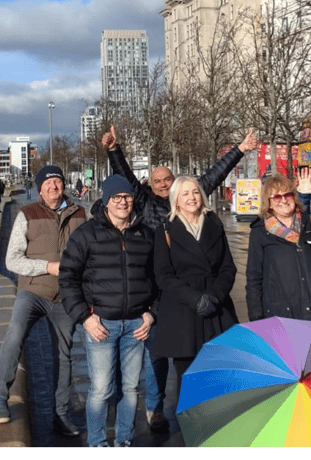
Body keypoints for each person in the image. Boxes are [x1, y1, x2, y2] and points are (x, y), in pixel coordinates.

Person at [100, 125, 257, 431]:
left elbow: (214, 174)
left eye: (166, 180)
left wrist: (239, 149)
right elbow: (128, 177)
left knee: (205, 359)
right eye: (157, 180)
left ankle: (212, 418)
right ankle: (156, 408)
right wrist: (113, 151)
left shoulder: (198, 208)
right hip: (156, 289)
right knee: (158, 353)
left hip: (192, 294)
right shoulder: (145, 203)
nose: (161, 184)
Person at [59, 175, 157, 447]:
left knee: (130, 389)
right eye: (117, 198)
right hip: (101, 324)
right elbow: (67, 279)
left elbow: (159, 278)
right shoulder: (86, 235)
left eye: (127, 197)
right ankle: (98, 443)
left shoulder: (145, 233)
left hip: (136, 325)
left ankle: (124, 441)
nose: (124, 202)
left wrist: (151, 314)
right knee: (101, 390)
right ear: (106, 201)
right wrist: (85, 318)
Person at [0, 165, 86, 437]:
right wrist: (48, 266)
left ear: (63, 185)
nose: (53, 187)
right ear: (39, 188)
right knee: (15, 333)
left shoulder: (80, 213)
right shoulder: (27, 214)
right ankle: (0, 398)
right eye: (48, 183)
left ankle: (60, 413)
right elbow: (12, 260)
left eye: (57, 182)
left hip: (65, 295)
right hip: (33, 291)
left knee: (64, 353)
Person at [152, 176, 238, 398]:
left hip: (217, 311)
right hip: (184, 313)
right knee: (189, 381)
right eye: (185, 194)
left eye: (195, 192)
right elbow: (164, 276)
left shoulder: (215, 224)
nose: (192, 198)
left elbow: (228, 268)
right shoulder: (165, 231)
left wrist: (214, 296)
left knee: (221, 378)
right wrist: (195, 299)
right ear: (176, 200)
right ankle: (191, 431)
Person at [246, 169, 311, 327]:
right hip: (281, 316)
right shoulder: (260, 232)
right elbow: (254, 278)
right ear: (268, 202)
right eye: (276, 197)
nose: (283, 200)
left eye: (287, 194)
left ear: (294, 197)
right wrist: (256, 316)